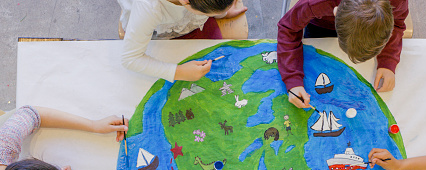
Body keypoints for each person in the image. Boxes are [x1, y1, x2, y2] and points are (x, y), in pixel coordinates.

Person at [277, 0, 408, 109]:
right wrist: (292, 79)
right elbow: (288, 28)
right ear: (335, 11)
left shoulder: (397, 2)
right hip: (320, 24)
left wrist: (388, 60)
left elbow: (397, 23)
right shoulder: (317, 3)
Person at [117, 0, 247, 82]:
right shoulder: (149, 8)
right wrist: (178, 72)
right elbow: (130, 59)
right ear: (186, 2)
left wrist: (222, 12)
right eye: (206, 14)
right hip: (157, 27)